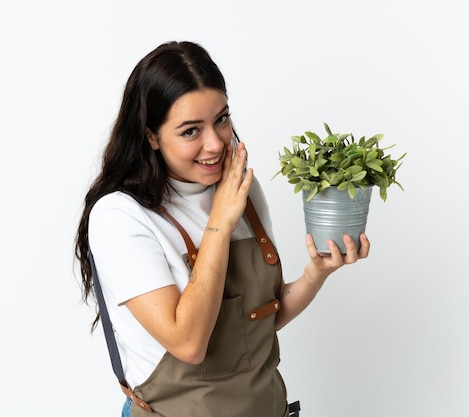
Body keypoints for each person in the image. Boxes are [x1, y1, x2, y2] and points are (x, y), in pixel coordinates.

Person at [75, 41, 369, 417]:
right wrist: (220, 221)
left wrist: (317, 273)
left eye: (221, 119)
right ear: (151, 136)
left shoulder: (242, 192)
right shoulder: (120, 215)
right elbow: (188, 342)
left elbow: (262, 319)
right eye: (190, 131)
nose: (215, 143)